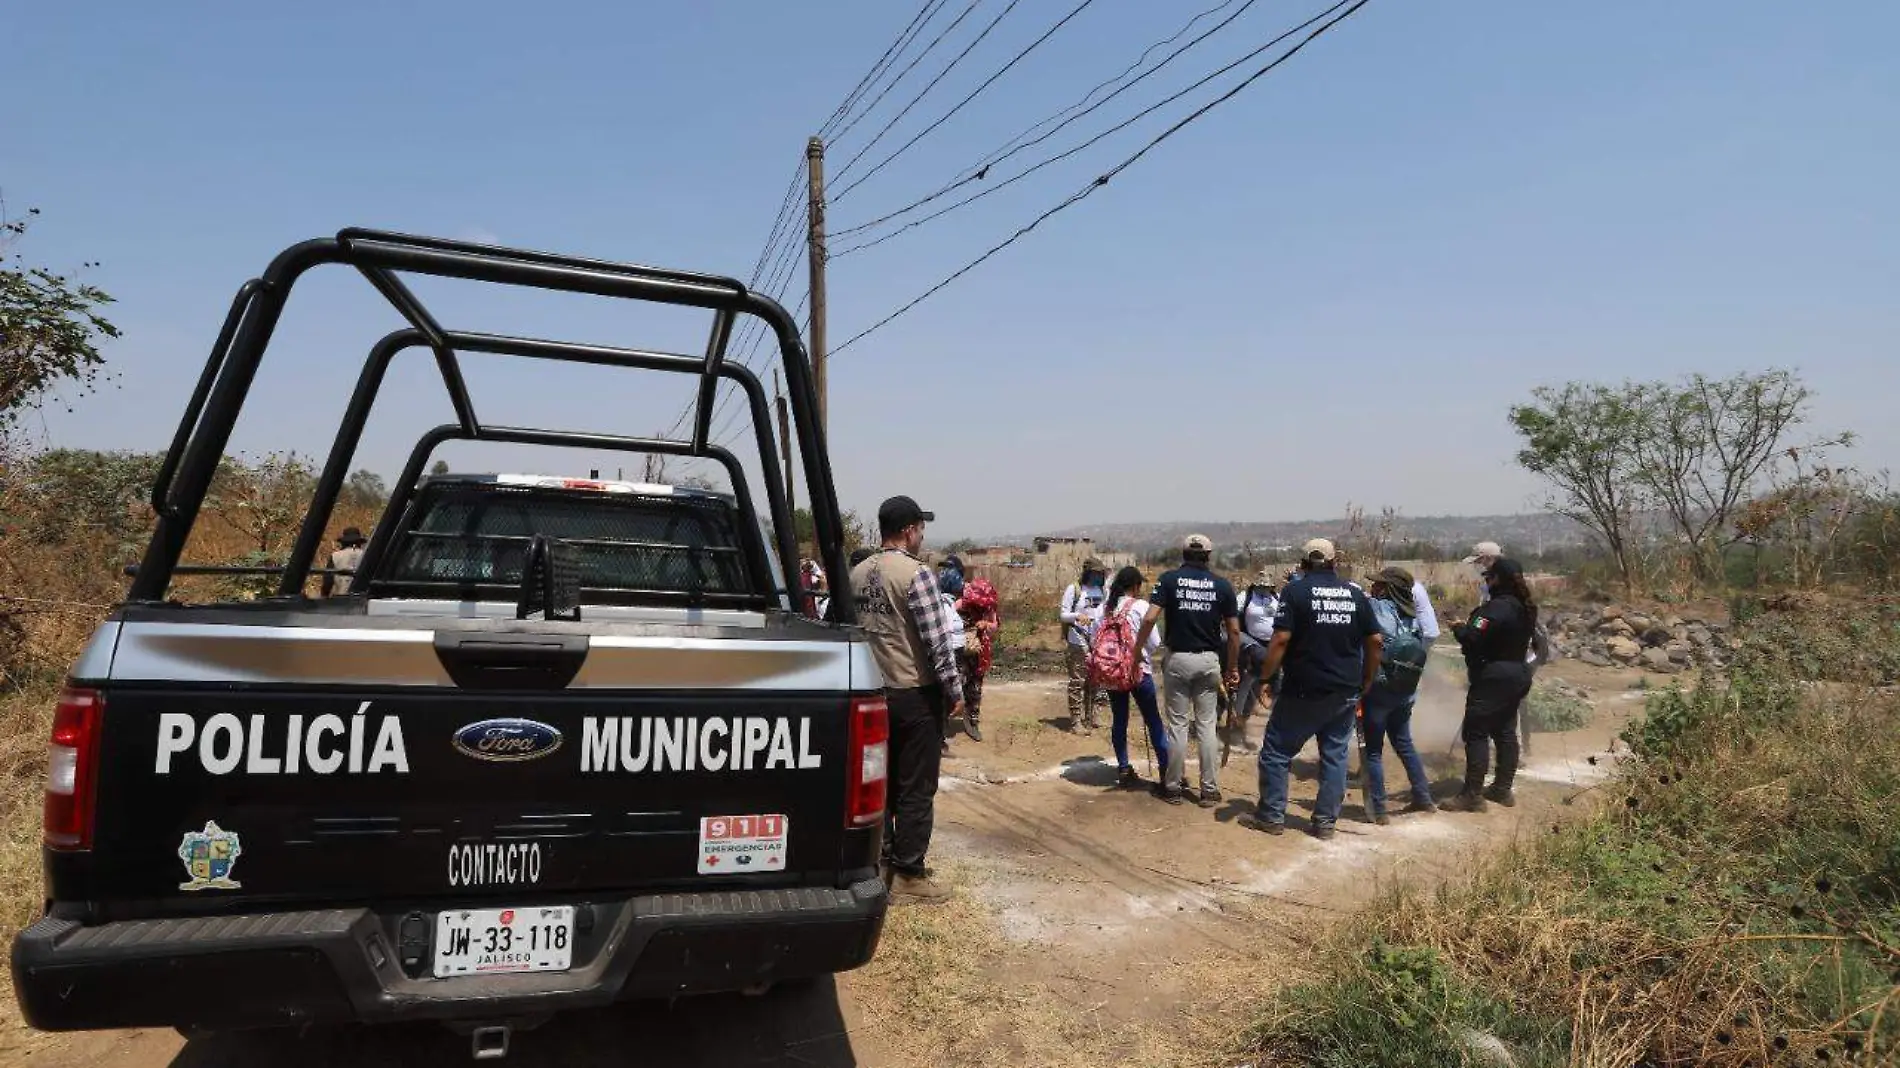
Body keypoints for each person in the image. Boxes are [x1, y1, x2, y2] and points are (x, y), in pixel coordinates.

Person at [851, 495, 963, 903]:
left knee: (876, 783)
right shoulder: (917, 575)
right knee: (915, 787)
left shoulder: (857, 573)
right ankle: (910, 874)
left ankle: (879, 863)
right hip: (913, 695)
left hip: (869, 692)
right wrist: (954, 692)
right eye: (920, 528)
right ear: (909, 530)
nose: (921, 536)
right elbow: (937, 642)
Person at [1239, 539, 1383, 840]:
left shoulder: (1296, 591)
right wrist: (1368, 678)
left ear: (1304, 564)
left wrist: (1266, 677)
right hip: (1345, 689)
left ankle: (1271, 816)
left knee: (1277, 752)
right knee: (1334, 755)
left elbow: (1279, 640)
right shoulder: (1354, 594)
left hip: (1303, 689)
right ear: (1334, 562)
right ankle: (1325, 823)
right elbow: (1375, 641)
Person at [1134, 535, 1240, 808]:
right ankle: (1209, 790)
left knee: (1178, 726)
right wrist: (1232, 667)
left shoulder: (1169, 580)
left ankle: (1172, 788)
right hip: (1208, 660)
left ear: (1183, 554)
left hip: (1178, 659)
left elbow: (1149, 617)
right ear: (1208, 555)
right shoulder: (1222, 585)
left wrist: (1136, 652)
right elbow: (1234, 631)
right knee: (1206, 726)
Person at [1448, 557, 1538, 812]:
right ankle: (1501, 789)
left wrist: (1458, 628)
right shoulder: (1526, 606)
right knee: (1505, 731)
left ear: (1498, 579)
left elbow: (1473, 637)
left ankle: (1472, 795)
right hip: (1518, 673)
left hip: (1494, 676)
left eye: (1489, 578)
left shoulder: (1497, 608)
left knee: (1476, 732)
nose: (1486, 582)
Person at [1360, 566, 1438, 823]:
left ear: (1390, 588)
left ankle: (1379, 810)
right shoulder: (1413, 614)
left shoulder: (1379, 609)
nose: (1374, 588)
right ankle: (1423, 796)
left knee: (1372, 750)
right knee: (1404, 742)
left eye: (1379, 585)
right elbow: (1430, 635)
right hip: (1405, 690)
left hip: (1379, 690)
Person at [1098, 566, 1170, 788]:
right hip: (1140, 672)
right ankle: (1166, 773)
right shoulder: (1140, 606)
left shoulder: (1104, 608)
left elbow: (1095, 638)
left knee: (1119, 720)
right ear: (1136, 586)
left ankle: (1123, 768)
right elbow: (1155, 641)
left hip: (1113, 673)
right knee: (1153, 721)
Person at [1231, 569, 1281, 751]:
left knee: (1274, 683)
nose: (1265, 589)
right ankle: (1238, 721)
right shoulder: (1245, 597)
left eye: (1268, 586)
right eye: (1262, 586)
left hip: (1274, 644)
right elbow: (1232, 620)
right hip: (1251, 643)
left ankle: (1276, 727)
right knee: (1250, 678)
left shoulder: (1277, 598)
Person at [1059, 558, 1110, 733]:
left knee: (1095, 680)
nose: (1098, 576)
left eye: (1100, 573)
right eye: (1095, 573)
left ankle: (1091, 716)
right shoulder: (1074, 589)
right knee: (1078, 681)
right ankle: (1075, 721)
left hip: (1097, 641)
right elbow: (1063, 615)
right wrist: (1077, 616)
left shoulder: (1102, 590)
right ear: (1088, 572)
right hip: (1077, 639)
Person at [955, 577, 1000, 743]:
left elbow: (995, 625)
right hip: (960, 652)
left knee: (975, 687)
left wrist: (986, 624)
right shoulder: (961, 604)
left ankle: (972, 721)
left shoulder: (989, 607)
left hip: (980, 652)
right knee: (956, 684)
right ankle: (944, 721)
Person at [937, 565, 969, 750]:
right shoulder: (944, 605)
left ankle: (941, 734)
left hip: (955, 655)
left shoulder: (949, 604)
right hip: (950, 656)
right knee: (945, 697)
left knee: (946, 697)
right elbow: (944, 636)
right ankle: (939, 740)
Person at [320, 527, 368, 597]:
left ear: (343, 543)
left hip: (342, 600)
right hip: (362, 599)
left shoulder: (335, 556)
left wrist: (324, 595)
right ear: (359, 543)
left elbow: (328, 582)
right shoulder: (366, 555)